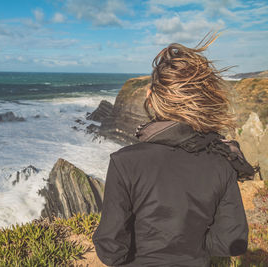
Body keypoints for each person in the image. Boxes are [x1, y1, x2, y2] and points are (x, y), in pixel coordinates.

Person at [92, 32, 255, 267]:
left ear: (151, 98)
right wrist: (193, 247)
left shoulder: (124, 162)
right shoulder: (222, 161)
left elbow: (111, 251)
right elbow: (232, 241)